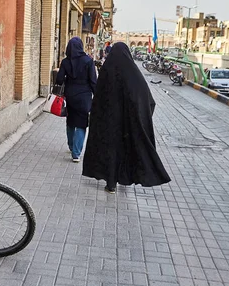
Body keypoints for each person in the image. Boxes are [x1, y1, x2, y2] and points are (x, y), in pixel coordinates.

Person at [82, 42, 171, 193]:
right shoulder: (132, 71)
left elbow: (98, 96)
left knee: (110, 151)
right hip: (126, 124)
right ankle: (122, 178)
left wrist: (97, 118)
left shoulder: (107, 69)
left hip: (108, 122)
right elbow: (146, 98)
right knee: (123, 150)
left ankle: (111, 183)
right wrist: (140, 117)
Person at [55, 37, 97, 162]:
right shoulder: (88, 61)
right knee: (82, 123)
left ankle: (71, 145)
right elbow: (93, 81)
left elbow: (59, 80)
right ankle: (76, 153)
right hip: (84, 97)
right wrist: (97, 96)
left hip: (70, 96)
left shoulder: (65, 62)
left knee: (71, 120)